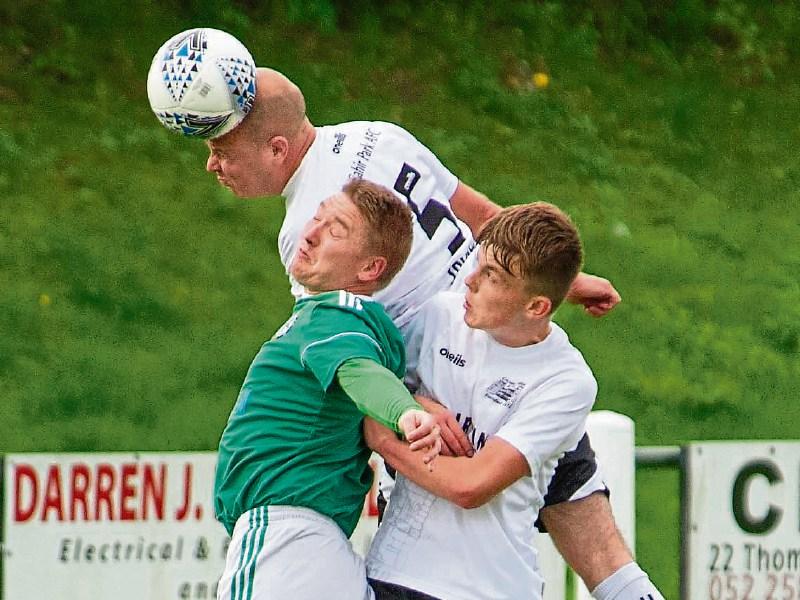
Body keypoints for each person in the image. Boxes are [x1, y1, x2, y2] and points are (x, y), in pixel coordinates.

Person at [204, 66, 658, 597]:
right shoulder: (381, 135)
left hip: (437, 377)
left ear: (276, 149)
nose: (214, 165)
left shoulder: (305, 228)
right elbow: (485, 216)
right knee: (603, 556)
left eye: (223, 152)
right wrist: (561, 281)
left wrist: (406, 408)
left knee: (441, 545)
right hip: (517, 340)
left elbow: (349, 355)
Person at [364, 203, 663, 600]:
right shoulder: (437, 316)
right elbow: (361, 381)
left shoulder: (566, 381)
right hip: (390, 574)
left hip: (487, 589)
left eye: (492, 277)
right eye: (478, 263)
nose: (470, 281)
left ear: (536, 307)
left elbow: (473, 487)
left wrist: (383, 437)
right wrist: (409, 404)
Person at [213, 179, 442, 600]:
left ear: (369, 269)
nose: (312, 232)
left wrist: (404, 413)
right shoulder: (333, 317)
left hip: (285, 541)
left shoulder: (337, 316)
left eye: (335, 230)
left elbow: (358, 371)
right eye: (317, 217)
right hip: (314, 546)